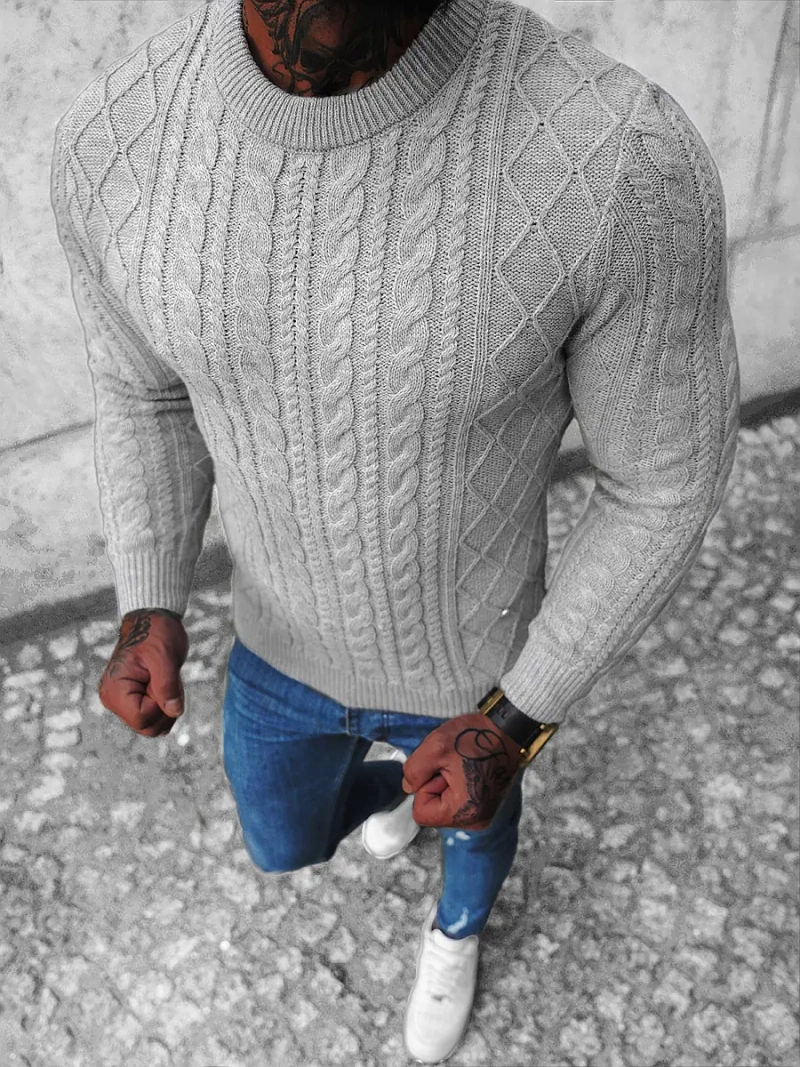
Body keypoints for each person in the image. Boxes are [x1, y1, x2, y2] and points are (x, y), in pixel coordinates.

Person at [51, 0, 740, 1061]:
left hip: (478, 664)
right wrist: (150, 600)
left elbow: (664, 476)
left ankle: (457, 927)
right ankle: (406, 798)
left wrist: (517, 719)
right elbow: (143, 393)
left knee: (479, 823)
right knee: (284, 841)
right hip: (277, 642)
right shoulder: (116, 136)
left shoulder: (618, 158)